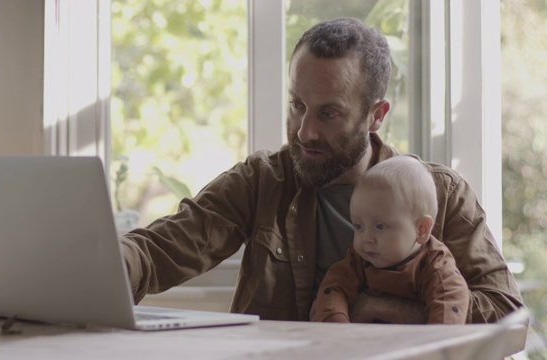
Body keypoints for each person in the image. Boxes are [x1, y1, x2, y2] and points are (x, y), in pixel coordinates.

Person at [120, 17, 523, 323]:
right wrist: (107, 262)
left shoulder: (442, 194)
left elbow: (506, 312)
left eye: (329, 113)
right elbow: (159, 250)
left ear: (376, 115)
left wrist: (375, 309)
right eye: (297, 105)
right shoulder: (262, 180)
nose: (305, 131)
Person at [310, 156, 469, 324]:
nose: (366, 239)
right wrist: (338, 328)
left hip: (414, 346)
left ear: (421, 229)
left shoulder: (434, 264)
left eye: (380, 226)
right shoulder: (359, 259)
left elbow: (449, 303)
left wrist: (438, 346)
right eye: (358, 226)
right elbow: (334, 287)